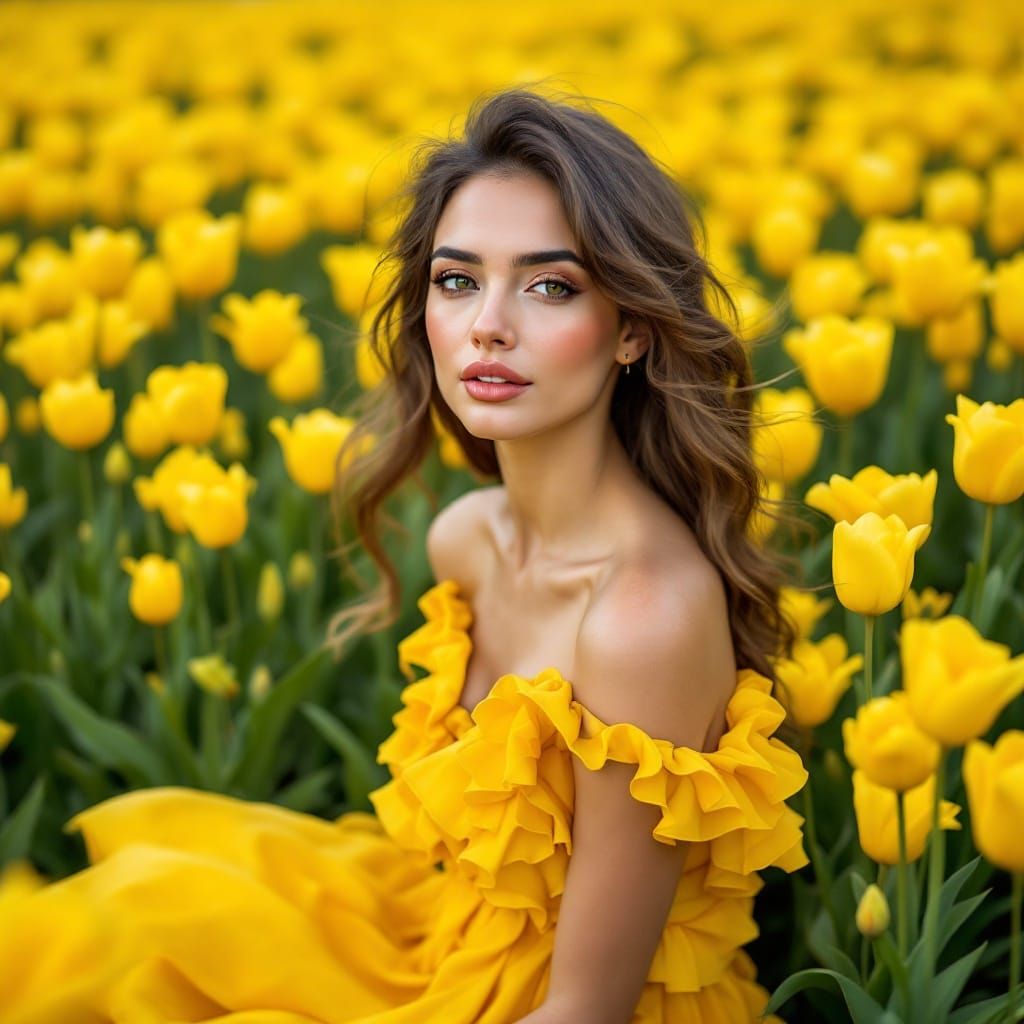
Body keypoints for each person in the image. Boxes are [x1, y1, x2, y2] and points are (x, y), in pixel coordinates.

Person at [0, 88, 808, 1024]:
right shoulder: (466, 539)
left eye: (550, 286)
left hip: (566, 1008)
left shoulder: (642, 619)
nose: (488, 325)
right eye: (457, 281)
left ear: (632, 328)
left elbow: (587, 1009)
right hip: (441, 939)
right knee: (139, 916)